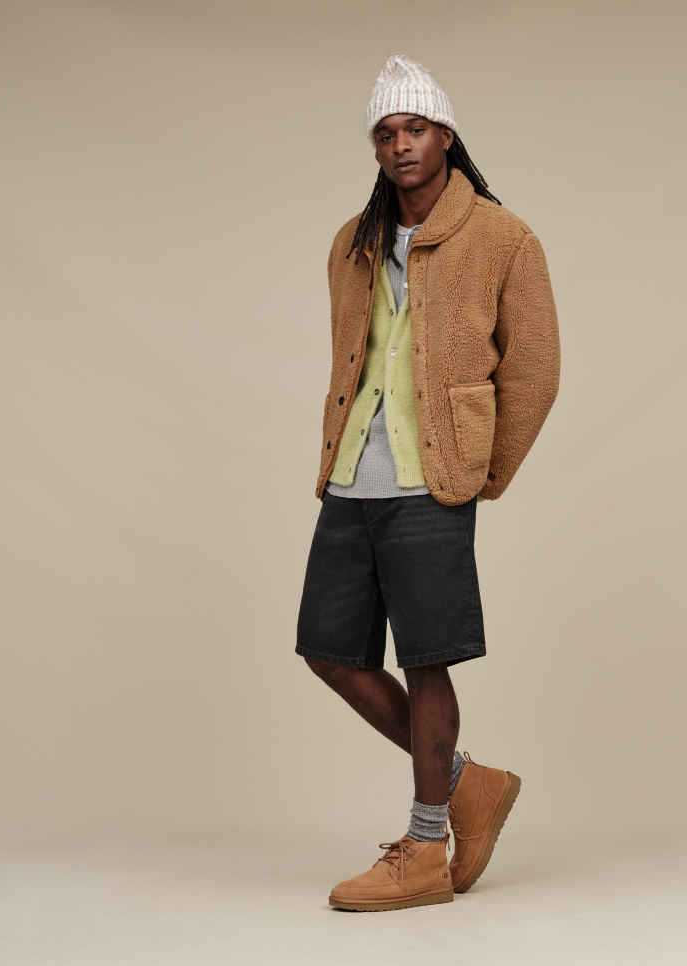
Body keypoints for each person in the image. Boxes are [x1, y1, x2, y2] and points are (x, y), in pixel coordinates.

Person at [295, 53, 561, 911]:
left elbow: (534, 373)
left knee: (425, 661)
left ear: (445, 135)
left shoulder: (504, 239)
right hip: (352, 474)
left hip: (432, 480)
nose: (400, 144)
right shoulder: (354, 242)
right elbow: (352, 357)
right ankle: (468, 783)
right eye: (386, 133)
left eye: (415, 128)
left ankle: (423, 844)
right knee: (329, 651)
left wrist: (477, 470)